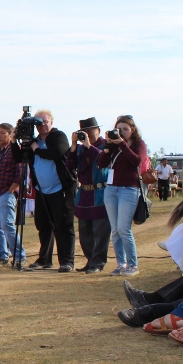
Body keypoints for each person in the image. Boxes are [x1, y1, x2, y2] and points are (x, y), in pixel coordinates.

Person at [11, 109, 76, 272]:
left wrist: (36, 149)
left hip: (60, 188)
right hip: (41, 190)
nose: (42, 126)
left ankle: (67, 261)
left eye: (45, 122)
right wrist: (13, 141)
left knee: (63, 225)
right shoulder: (34, 140)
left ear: (51, 122)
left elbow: (57, 153)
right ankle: (44, 259)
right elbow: (20, 158)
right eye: (38, 123)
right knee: (43, 225)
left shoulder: (58, 136)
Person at [97, 115, 149, 277]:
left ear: (132, 130)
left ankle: (132, 264)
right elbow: (101, 163)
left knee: (123, 228)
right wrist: (107, 147)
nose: (122, 132)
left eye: (125, 129)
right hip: (111, 189)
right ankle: (121, 263)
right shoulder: (114, 145)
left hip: (129, 189)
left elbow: (137, 161)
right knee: (115, 230)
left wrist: (122, 144)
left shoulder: (138, 144)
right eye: (119, 129)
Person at [66, 117, 111, 274]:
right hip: (84, 192)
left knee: (100, 231)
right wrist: (73, 145)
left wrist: (88, 145)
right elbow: (70, 165)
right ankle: (90, 259)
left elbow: (102, 160)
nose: (87, 135)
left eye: (90, 131)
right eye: (84, 133)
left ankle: (98, 262)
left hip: (100, 192)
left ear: (97, 131)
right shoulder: (79, 149)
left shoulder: (106, 145)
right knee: (85, 231)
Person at [0, 123, 25, 267]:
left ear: (10, 134)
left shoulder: (15, 151)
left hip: (5, 193)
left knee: (7, 225)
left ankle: (19, 255)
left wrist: (11, 189)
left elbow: (20, 173)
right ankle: (2, 255)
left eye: (2, 133)